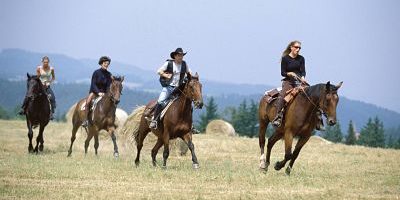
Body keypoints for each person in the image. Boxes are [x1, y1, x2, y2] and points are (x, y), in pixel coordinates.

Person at [272, 41, 324, 130]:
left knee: (313, 96)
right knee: (282, 96)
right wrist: (290, 74)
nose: (298, 49)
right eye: (296, 47)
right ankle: (278, 117)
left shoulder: (301, 58)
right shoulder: (285, 59)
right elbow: (283, 73)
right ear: (291, 47)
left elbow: (303, 71)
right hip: (289, 82)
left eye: (299, 48)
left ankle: (319, 120)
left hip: (300, 82)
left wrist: (303, 77)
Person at [149, 47, 192, 129]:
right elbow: (159, 71)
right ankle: (154, 120)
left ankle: (190, 124)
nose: (181, 57)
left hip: (180, 89)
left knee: (189, 104)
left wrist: (191, 77)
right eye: (179, 55)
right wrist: (165, 75)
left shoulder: (184, 64)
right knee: (161, 101)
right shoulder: (169, 63)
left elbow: (189, 72)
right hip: (168, 87)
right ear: (175, 56)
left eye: (182, 55)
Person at [82, 56, 112, 127]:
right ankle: (85, 120)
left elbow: (108, 86)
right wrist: (98, 92)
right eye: (105, 63)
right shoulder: (96, 73)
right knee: (88, 102)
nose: (106, 65)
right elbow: (93, 84)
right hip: (94, 92)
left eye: (108, 63)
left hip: (104, 93)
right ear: (101, 63)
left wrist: (106, 93)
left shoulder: (109, 74)